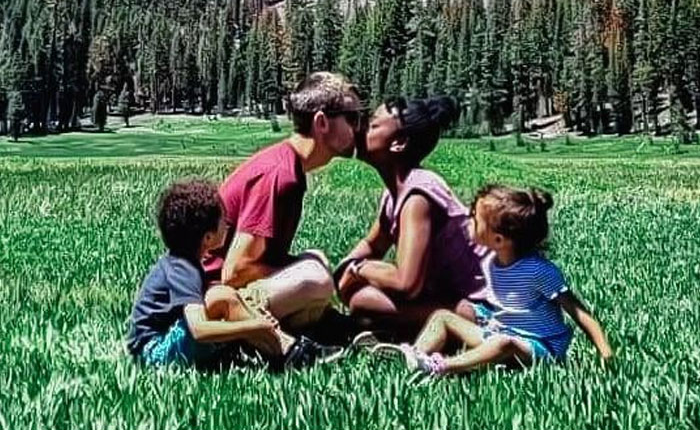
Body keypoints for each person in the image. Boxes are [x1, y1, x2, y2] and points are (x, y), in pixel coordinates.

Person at [366, 183, 612, 376]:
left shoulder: (540, 271)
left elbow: (579, 313)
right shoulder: (491, 264)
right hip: (501, 332)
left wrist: (605, 353)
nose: (468, 219)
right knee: (443, 317)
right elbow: (505, 305)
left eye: (475, 218)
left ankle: (441, 367)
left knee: (504, 343)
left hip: (542, 348)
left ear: (499, 240)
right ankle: (414, 357)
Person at [202, 72, 362, 336]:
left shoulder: (289, 167)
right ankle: (246, 331)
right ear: (321, 122)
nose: (358, 128)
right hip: (214, 294)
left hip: (224, 287)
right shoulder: (280, 174)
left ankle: (316, 325)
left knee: (316, 261)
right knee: (317, 278)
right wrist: (303, 275)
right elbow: (235, 270)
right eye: (352, 118)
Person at [126, 177, 343, 370]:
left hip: (162, 344)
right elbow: (198, 329)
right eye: (224, 221)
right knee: (222, 297)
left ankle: (283, 348)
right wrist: (252, 327)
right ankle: (289, 352)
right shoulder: (182, 269)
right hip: (153, 354)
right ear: (208, 238)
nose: (228, 225)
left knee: (222, 295)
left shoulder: (183, 262)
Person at [336, 95, 486, 338]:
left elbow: (407, 284)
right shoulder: (396, 192)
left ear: (399, 142)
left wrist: (357, 270)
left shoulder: (418, 196)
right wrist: (340, 270)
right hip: (446, 296)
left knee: (363, 301)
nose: (361, 129)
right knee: (361, 296)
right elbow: (373, 243)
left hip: (481, 308)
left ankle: (453, 331)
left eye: (373, 125)